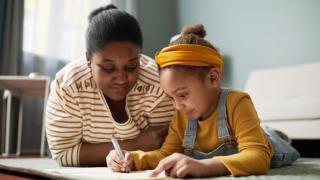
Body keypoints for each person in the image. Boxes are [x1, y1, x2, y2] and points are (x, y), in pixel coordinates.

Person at [106, 24, 300, 178]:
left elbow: (257, 157)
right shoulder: (183, 115)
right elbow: (166, 153)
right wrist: (133, 158)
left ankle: (277, 134)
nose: (177, 105)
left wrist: (204, 166)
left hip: (270, 145)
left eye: (182, 95)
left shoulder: (237, 103)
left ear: (213, 78)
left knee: (270, 136)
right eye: (171, 97)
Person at [45, 4, 175, 167]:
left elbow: (166, 147)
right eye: (108, 68)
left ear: (139, 57)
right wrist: (135, 145)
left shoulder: (158, 82)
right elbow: (63, 153)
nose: (121, 78)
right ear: (88, 59)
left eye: (131, 66)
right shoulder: (68, 86)